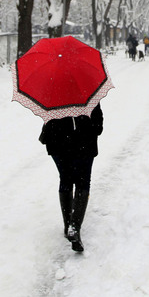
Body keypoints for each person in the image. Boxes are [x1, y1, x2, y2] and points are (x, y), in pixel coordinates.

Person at [39, 104, 104, 252]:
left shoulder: (52, 91)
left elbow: (46, 117)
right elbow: (98, 126)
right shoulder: (88, 92)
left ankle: (67, 223)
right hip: (84, 144)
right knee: (83, 182)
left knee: (65, 179)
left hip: (56, 142)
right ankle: (74, 227)